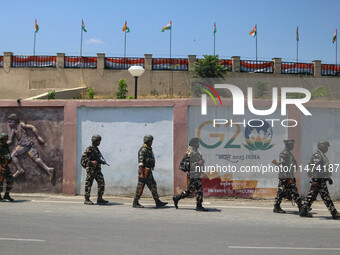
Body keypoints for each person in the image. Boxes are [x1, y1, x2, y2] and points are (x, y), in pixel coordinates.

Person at [7, 113, 54, 182]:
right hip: (29, 144)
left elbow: (32, 127)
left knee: (13, 155)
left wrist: (38, 137)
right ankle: (49, 170)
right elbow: (10, 141)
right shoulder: (14, 130)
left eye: (9, 122)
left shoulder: (21, 125)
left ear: (14, 121)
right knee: (36, 159)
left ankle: (20, 170)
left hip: (24, 145)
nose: (9, 124)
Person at [300, 141, 340, 219]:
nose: (327, 148)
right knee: (324, 197)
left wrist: (328, 178)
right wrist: (314, 180)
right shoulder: (318, 156)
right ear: (322, 147)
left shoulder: (321, 155)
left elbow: (323, 169)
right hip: (318, 180)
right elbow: (315, 168)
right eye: (326, 147)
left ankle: (304, 211)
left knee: (314, 196)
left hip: (320, 179)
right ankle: (334, 213)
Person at [173, 137, 208, 211]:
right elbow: (188, 165)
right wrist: (198, 163)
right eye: (197, 143)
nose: (198, 144)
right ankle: (199, 206)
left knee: (190, 190)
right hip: (193, 174)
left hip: (196, 173)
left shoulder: (195, 151)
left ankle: (177, 197)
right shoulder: (190, 152)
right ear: (194, 143)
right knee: (199, 189)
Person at [132, 134, 167, 208]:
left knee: (153, 185)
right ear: (147, 141)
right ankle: (135, 202)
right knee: (140, 186)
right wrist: (141, 173)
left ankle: (157, 201)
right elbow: (141, 163)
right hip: (144, 171)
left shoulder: (149, 149)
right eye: (151, 141)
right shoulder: (143, 150)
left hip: (148, 171)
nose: (152, 142)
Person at [273, 139, 302, 213]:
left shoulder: (288, 153)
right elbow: (282, 166)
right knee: (292, 191)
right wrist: (287, 177)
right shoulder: (284, 153)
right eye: (291, 144)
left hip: (288, 175)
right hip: (285, 176)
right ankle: (301, 207)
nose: (293, 146)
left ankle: (276, 206)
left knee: (282, 191)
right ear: (287, 144)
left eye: (293, 144)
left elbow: (293, 164)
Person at [81, 134, 109, 205]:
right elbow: (83, 159)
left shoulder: (96, 149)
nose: (99, 142)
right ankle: (86, 199)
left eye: (100, 141)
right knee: (89, 184)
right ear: (94, 141)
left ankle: (100, 198)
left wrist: (101, 162)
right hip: (91, 170)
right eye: (98, 141)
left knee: (101, 182)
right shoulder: (89, 149)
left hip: (97, 170)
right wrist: (91, 162)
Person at [0, 133, 14, 202]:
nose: (5, 140)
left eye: (6, 139)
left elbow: (8, 155)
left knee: (10, 178)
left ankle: (7, 194)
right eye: (4, 139)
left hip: (5, 165)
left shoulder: (5, 146)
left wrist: (8, 159)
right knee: (0, 181)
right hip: (0, 166)